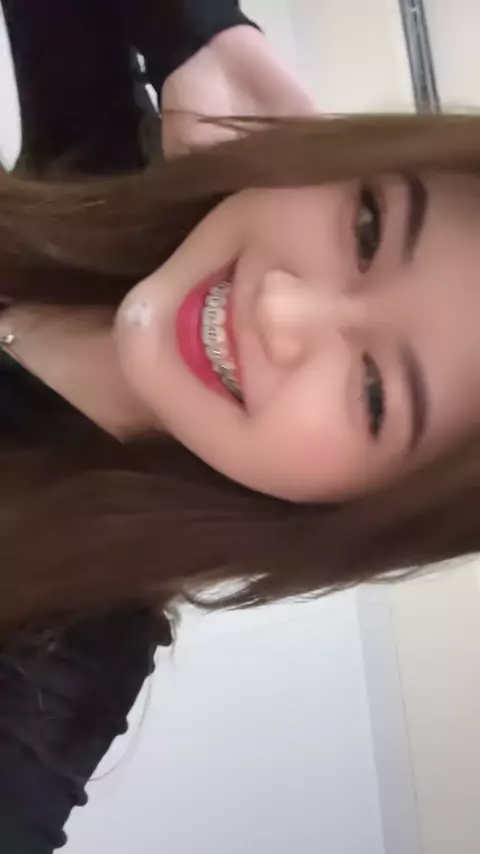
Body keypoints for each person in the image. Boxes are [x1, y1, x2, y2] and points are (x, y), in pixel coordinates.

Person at [0, 1, 317, 851]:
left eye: (374, 394)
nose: (282, 310)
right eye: (367, 230)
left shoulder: (69, 643)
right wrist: (200, 33)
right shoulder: (97, 191)